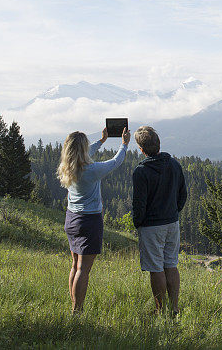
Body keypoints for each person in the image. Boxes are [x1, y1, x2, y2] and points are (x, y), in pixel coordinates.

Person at [57, 126, 130, 312]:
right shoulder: (92, 170)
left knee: (75, 266)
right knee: (84, 270)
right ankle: (77, 310)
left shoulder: (68, 167)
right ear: (83, 150)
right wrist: (124, 144)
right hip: (89, 221)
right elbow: (115, 162)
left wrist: (101, 141)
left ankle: (74, 305)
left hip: (72, 219)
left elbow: (86, 153)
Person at [132, 125, 187, 316]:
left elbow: (139, 204)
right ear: (159, 144)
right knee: (171, 264)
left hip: (151, 227)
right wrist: (174, 212)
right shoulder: (174, 164)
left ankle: (160, 310)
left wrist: (138, 222)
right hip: (172, 223)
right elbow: (183, 194)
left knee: (156, 269)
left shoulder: (141, 171)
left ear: (141, 149)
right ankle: (174, 308)